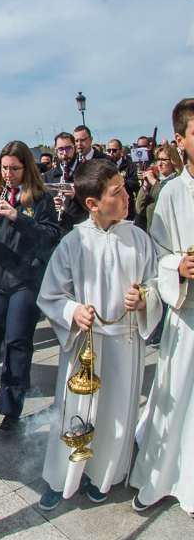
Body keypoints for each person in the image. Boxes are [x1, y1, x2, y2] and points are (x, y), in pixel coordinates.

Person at [36, 158, 162, 511]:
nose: (127, 195)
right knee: (74, 411)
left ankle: (105, 475)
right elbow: (50, 294)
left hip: (125, 342)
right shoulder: (74, 243)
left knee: (117, 414)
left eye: (124, 187)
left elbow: (154, 283)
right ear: (92, 204)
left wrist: (144, 298)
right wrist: (73, 311)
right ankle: (61, 478)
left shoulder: (138, 238)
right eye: (117, 192)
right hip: (85, 346)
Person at [130, 98, 194, 515]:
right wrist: (180, 266)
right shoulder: (171, 194)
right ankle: (171, 475)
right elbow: (157, 255)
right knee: (179, 394)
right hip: (189, 316)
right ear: (181, 140)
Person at [0, 141, 60, 431]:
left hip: (26, 280)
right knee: (9, 339)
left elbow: (50, 237)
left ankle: (10, 408)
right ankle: (18, 385)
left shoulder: (40, 198)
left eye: (14, 168)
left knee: (17, 340)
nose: (8, 174)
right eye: (4, 168)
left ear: (26, 168)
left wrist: (18, 218)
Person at [42, 132, 89, 233]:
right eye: (61, 149)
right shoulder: (47, 177)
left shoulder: (86, 171)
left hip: (82, 230)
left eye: (68, 148)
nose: (65, 153)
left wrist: (77, 197)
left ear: (75, 148)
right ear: (56, 151)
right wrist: (51, 205)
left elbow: (96, 203)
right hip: (57, 231)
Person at [135, 145, 183, 231]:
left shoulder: (179, 180)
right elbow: (139, 209)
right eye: (158, 160)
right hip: (153, 232)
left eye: (164, 160)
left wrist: (154, 182)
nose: (160, 164)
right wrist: (146, 187)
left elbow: (168, 200)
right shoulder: (155, 178)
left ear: (173, 161)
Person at [106, 139, 139, 220]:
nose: (111, 153)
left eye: (114, 150)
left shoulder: (130, 165)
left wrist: (122, 182)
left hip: (127, 208)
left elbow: (135, 184)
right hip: (111, 209)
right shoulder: (106, 166)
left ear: (121, 151)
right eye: (109, 150)